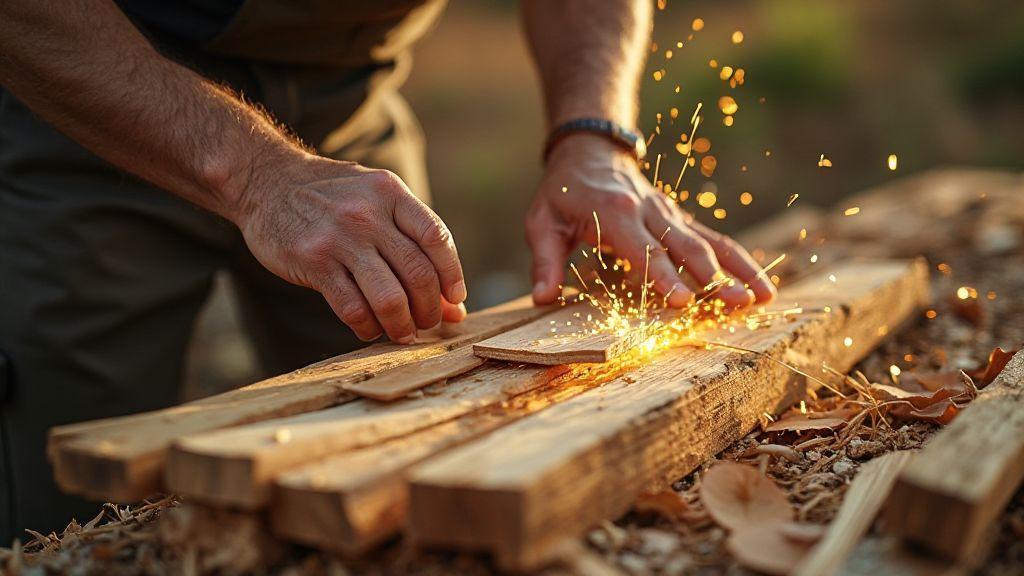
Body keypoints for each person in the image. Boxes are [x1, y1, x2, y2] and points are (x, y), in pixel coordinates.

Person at [0, 0, 776, 542]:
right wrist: (257, 176)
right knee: (70, 509)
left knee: (417, 438)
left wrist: (592, 136)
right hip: (92, 103)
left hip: (348, 101)